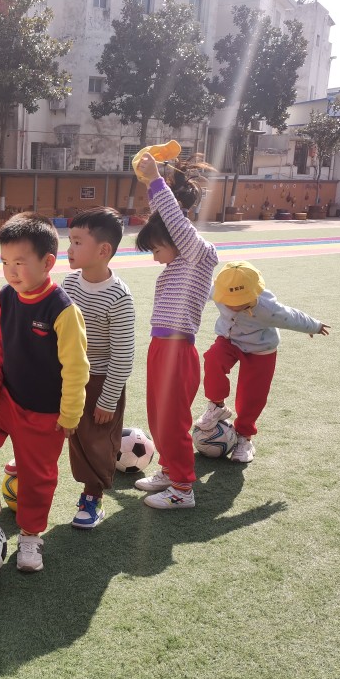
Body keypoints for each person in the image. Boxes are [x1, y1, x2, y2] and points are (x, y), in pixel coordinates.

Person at [0, 213, 89, 571]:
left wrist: (70, 415)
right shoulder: (5, 298)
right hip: (6, 399)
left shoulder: (63, 310)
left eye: (19, 262)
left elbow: (77, 369)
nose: (11, 271)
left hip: (45, 414)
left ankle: (30, 536)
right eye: (4, 262)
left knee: (37, 478)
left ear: (47, 263)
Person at [132, 150, 219, 509]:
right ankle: (169, 470)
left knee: (172, 421)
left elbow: (174, 222)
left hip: (178, 351)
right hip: (160, 347)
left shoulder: (199, 255)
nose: (154, 257)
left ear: (176, 240)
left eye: (156, 249)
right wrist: (152, 186)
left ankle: (183, 489)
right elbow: (166, 221)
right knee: (158, 417)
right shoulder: (177, 265)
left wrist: (156, 180)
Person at [195, 260, 330, 463]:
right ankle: (217, 405)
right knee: (213, 358)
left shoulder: (268, 308)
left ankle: (244, 438)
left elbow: (291, 317)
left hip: (261, 349)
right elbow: (198, 293)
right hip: (229, 340)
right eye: (226, 299)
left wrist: (314, 326)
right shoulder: (219, 290)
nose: (229, 304)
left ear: (252, 295)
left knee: (252, 395)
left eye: (236, 300)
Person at [62, 207, 135, 528]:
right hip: (67, 377)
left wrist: (108, 399)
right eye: (69, 240)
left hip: (100, 380)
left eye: (78, 242)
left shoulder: (118, 297)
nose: (69, 248)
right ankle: (31, 475)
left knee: (95, 440)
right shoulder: (68, 284)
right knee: (62, 430)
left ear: (103, 250)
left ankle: (92, 496)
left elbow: (123, 354)